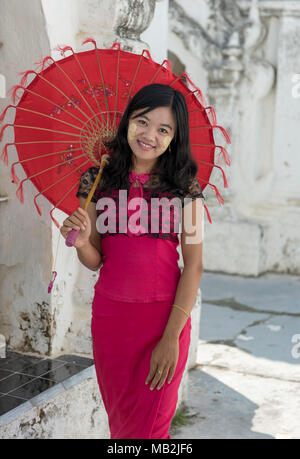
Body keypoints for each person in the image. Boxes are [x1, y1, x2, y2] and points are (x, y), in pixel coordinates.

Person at [60, 83, 204, 439]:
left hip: (163, 321)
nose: (149, 135)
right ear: (128, 121)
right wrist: (79, 242)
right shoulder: (97, 180)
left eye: (163, 129)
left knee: (150, 432)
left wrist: (171, 337)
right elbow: (94, 259)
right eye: (143, 121)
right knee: (122, 429)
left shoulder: (184, 187)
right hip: (112, 322)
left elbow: (194, 265)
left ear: (174, 137)